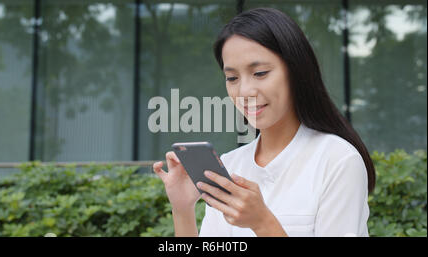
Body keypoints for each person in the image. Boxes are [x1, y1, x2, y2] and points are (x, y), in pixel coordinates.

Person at [152, 7, 375, 237]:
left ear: (296, 72)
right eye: (232, 78)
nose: (245, 90)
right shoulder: (229, 166)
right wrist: (182, 210)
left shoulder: (338, 161)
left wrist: (262, 223)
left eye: (260, 73)